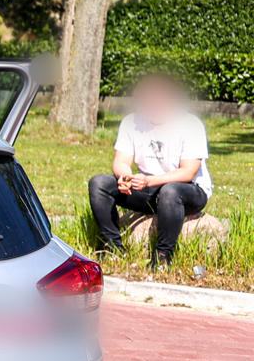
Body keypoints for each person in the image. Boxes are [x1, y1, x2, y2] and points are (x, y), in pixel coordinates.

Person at [89, 73, 212, 267]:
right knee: (100, 183)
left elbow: (188, 172)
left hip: (188, 189)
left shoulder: (190, 124)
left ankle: (162, 257)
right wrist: (125, 176)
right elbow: (121, 161)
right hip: (149, 189)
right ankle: (112, 249)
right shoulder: (131, 122)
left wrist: (149, 181)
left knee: (170, 191)